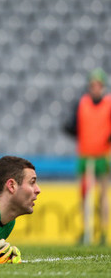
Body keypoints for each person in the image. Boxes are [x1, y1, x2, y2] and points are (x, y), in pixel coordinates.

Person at [63, 68, 111, 245]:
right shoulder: (82, 103)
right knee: (84, 194)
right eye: (93, 85)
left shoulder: (108, 104)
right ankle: (86, 230)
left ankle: (104, 232)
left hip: (102, 155)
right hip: (85, 154)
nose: (95, 88)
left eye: (98, 85)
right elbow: (74, 126)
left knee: (103, 195)